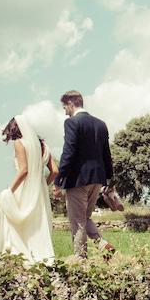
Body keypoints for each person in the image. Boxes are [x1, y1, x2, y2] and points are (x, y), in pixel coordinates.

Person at [53, 90, 116, 260]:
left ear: (71, 104)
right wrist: (109, 178)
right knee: (85, 217)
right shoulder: (101, 124)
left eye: (64, 106)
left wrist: (58, 181)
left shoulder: (71, 123)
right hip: (97, 179)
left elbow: (68, 153)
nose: (64, 110)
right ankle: (103, 245)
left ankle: (81, 260)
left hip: (77, 181)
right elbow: (106, 153)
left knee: (77, 222)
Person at [0, 115, 58, 265]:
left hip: (24, 188)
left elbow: (24, 170)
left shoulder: (19, 143)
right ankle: (42, 257)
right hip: (39, 190)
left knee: (15, 221)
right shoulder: (44, 146)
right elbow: (55, 171)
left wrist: (9, 191)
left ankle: (19, 256)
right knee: (37, 223)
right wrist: (42, 185)